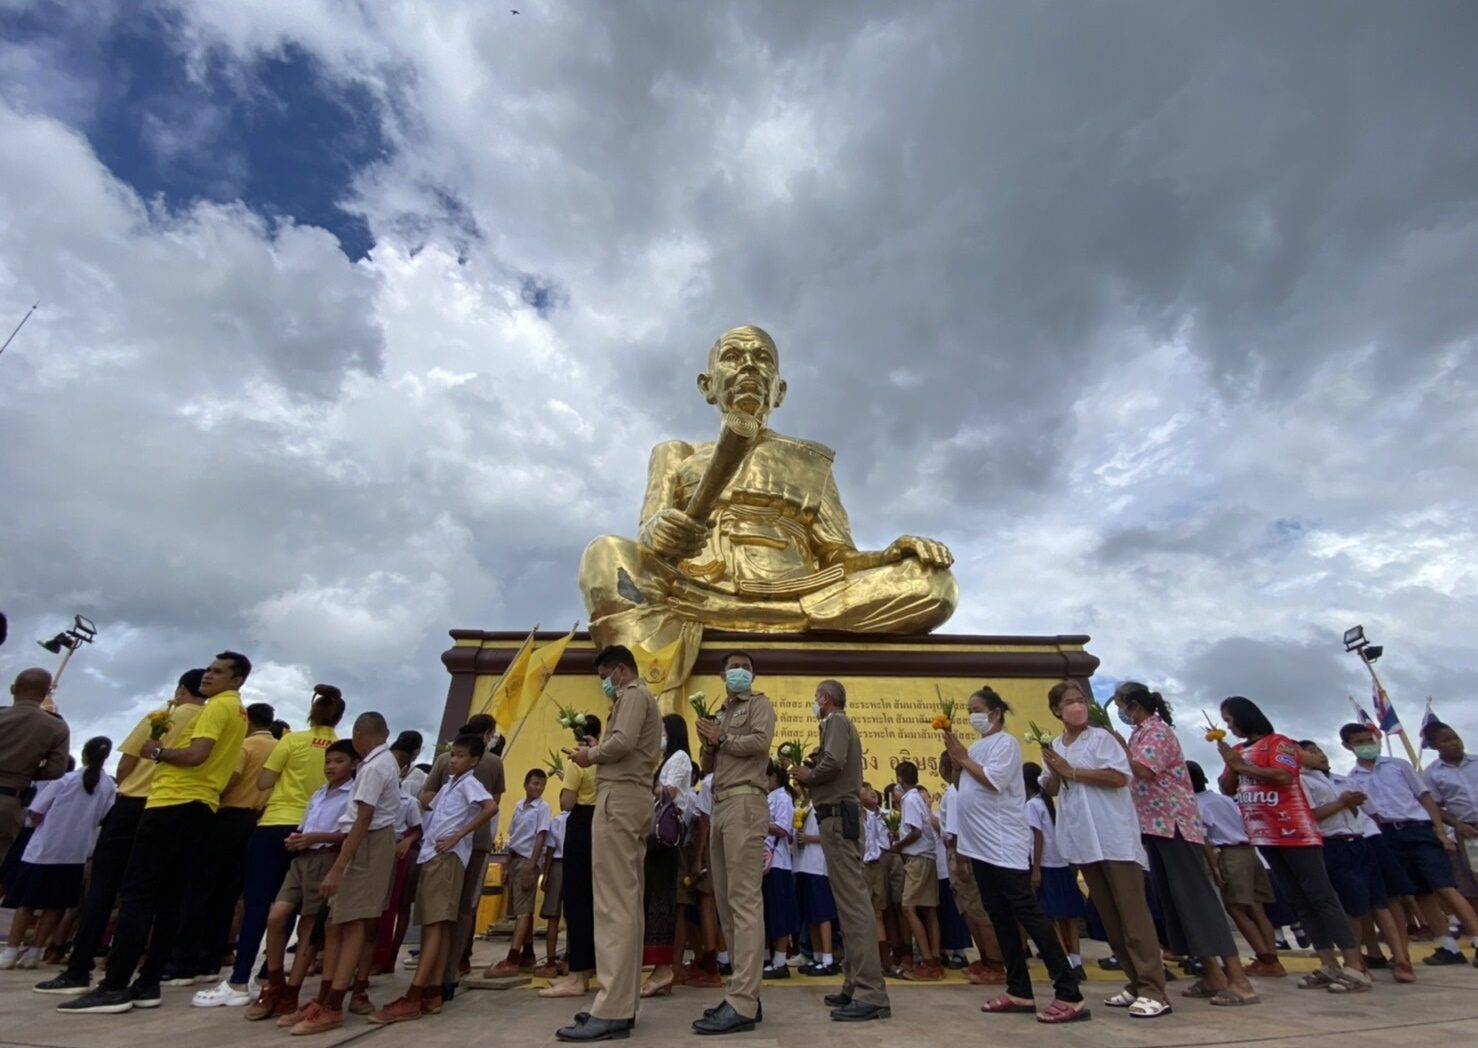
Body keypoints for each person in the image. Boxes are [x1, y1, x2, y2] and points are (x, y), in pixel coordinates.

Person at [59, 651, 251, 1015]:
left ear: (237, 679)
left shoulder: (215, 709)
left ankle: (115, 984)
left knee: (138, 893)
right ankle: (148, 982)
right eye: (208, 670)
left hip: (171, 802)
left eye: (218, 671)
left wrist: (158, 752)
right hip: (202, 805)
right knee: (170, 898)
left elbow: (197, 754)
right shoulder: (238, 712)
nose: (209, 676)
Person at [34, 669, 207, 996]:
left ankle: (79, 969)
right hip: (178, 808)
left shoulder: (163, 716)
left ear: (181, 689)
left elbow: (127, 764)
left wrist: (132, 784)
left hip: (134, 804)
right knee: (164, 898)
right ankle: (149, 978)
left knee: (103, 890)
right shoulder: (213, 721)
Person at [944, 687, 1086, 1023]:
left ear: (995, 713)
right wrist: (955, 758)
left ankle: (1069, 991)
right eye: (968, 710)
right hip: (978, 845)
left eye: (977, 709)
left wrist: (963, 758)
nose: (972, 715)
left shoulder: (1006, 744)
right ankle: (1019, 989)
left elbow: (993, 781)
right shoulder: (978, 746)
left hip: (1003, 843)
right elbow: (962, 784)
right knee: (999, 915)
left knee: (1027, 912)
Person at [1112, 683, 1258, 1006]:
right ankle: (1212, 975)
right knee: (1178, 906)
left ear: (1134, 705)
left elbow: (1144, 770)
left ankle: (1238, 979)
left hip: (1174, 823)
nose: (1122, 713)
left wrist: (1117, 745)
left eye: (1123, 706)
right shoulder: (1139, 734)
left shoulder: (1157, 733)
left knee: (1198, 901)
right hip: (1153, 826)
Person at [1215, 696, 1369, 993]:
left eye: (1230, 720)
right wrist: (1233, 765)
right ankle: (1328, 963)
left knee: (1321, 896)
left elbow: (1284, 775)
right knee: (1299, 900)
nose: (1229, 726)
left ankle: (1354, 964)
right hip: (1263, 832)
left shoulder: (1279, 743)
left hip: (1294, 829)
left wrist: (1243, 766)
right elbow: (1226, 787)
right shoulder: (1237, 751)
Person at [1040, 681, 1169, 1018]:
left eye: (1080, 700)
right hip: (1084, 839)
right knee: (1110, 917)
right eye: (1069, 702)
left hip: (1113, 836)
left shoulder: (1103, 738)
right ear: (1056, 710)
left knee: (1133, 914)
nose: (1077, 706)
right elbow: (1052, 786)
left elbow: (1119, 777)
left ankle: (1154, 988)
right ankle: (1135, 982)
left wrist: (1074, 771)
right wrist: (1054, 767)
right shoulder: (1055, 744)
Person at [555, 644, 662, 1043]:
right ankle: (621, 1001)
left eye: (604, 675)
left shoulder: (633, 694)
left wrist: (589, 755)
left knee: (614, 903)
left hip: (619, 796)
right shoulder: (639, 697)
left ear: (619, 671)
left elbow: (621, 744)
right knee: (625, 901)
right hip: (628, 795)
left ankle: (614, 1007)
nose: (604, 684)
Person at [225, 685, 344, 1009]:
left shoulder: (291, 741)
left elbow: (264, 781)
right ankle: (269, 974)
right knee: (293, 906)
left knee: (259, 904)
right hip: (313, 832)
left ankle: (239, 979)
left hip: (276, 822)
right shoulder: (340, 749)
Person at [370, 733, 498, 1024]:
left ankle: (415, 994)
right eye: (453, 755)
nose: (454, 760)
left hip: (447, 857)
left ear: (475, 760)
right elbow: (429, 807)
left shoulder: (470, 784)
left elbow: (491, 807)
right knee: (435, 926)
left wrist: (458, 835)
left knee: (435, 926)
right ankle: (433, 991)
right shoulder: (450, 785)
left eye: (461, 756)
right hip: (432, 854)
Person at [288, 711, 401, 1035]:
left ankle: (334, 1003)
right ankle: (324, 997)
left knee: (351, 922)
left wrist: (337, 868)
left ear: (358, 738)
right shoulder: (378, 764)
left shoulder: (376, 766)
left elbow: (364, 818)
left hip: (366, 844)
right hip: (361, 842)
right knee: (336, 921)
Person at [786, 679, 891, 1021]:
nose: (814, 702)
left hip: (838, 819)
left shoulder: (836, 721)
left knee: (855, 905)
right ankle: (854, 983)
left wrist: (808, 773)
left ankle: (870, 992)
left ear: (826, 699)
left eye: (816, 697)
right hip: (834, 818)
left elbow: (831, 762)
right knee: (848, 907)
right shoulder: (834, 724)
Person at [690, 650, 777, 1035]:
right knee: (726, 903)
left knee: (743, 901)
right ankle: (744, 996)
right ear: (721, 674)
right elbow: (707, 767)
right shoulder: (720, 713)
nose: (740, 673)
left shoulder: (759, 705)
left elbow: (760, 743)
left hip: (745, 801)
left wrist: (722, 736)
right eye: (734, 668)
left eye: (746, 668)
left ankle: (743, 1000)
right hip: (720, 803)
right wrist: (708, 741)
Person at [1340, 722, 1478, 966]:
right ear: (1347, 746)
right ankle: (1447, 946)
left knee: (1445, 886)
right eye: (1359, 742)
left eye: (1369, 740)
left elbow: (1425, 797)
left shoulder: (1398, 766)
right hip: (1388, 836)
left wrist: (1439, 831)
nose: (1367, 746)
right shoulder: (1352, 780)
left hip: (1419, 829)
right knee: (1421, 893)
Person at [247, 739, 359, 1023]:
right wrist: (298, 838)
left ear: (354, 764)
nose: (331, 767)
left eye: (339, 761)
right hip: (302, 859)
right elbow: (307, 824)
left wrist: (316, 838)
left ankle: (291, 991)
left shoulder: (352, 795)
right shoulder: (319, 793)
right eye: (328, 761)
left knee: (309, 926)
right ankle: (274, 982)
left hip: (326, 858)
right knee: (276, 916)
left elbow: (350, 834)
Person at [179, 700, 278, 995]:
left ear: (248, 721)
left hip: (227, 815)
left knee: (201, 888)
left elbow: (230, 779)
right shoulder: (279, 747)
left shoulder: (245, 746)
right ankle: (215, 954)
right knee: (231, 894)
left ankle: (187, 960)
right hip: (255, 821)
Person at [1296, 740, 1415, 982]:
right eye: (1310, 752)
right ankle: (1356, 962)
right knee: (1354, 908)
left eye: (1319, 750)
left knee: (1382, 903)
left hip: (1362, 840)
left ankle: (1402, 958)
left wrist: (1349, 805)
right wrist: (1342, 803)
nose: (1319, 755)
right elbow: (1309, 816)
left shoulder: (1341, 780)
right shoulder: (1301, 781)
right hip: (1334, 843)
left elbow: (1364, 811)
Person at [0, 737, 114, 970]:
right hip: (77, 852)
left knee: (27, 903)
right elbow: (104, 816)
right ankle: (35, 951)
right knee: (56, 904)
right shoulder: (108, 786)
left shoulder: (64, 780)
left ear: (84, 754)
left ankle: (10, 951)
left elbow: (36, 812)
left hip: (45, 848)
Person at [420, 713, 506, 998]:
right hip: (476, 842)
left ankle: (429, 971)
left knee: (437, 913)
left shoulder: (445, 760)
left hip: (441, 842)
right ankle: (451, 969)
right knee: (463, 908)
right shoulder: (493, 763)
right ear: (489, 734)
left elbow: (425, 798)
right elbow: (495, 805)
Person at [1186, 760, 1283, 976]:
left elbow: (1205, 842)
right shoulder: (1224, 800)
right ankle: (1273, 958)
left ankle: (1263, 958)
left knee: (1236, 908)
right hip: (1250, 851)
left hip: (1229, 854)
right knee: (1257, 908)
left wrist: (1215, 869)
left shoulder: (1195, 805)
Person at [540, 715, 601, 1000]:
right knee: (595, 903)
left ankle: (577, 975)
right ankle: (588, 969)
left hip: (580, 827)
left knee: (576, 903)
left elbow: (566, 803)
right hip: (602, 826)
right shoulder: (607, 759)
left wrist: (568, 779)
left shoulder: (578, 761)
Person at [640, 714, 693, 996]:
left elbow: (670, 792)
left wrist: (646, 781)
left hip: (667, 837)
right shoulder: (667, 759)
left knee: (662, 903)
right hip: (655, 841)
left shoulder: (680, 757)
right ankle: (660, 969)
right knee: (655, 901)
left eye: (661, 730)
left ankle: (664, 970)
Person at [1023, 762, 1087, 978]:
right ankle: (1076, 961)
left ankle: (1065, 961)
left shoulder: (1032, 805)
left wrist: (1036, 869)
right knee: (1068, 917)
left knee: (1051, 917)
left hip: (1047, 864)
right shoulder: (1047, 802)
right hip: (1061, 862)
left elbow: (1037, 837)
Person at [487, 769, 552, 977]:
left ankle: (513, 957)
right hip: (515, 858)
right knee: (520, 908)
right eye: (534, 783)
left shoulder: (543, 808)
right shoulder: (518, 807)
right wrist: (507, 866)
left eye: (542, 784)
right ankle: (528, 953)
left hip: (527, 860)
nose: (538, 788)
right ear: (525, 784)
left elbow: (540, 837)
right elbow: (512, 836)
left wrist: (532, 866)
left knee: (523, 911)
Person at [0, 668, 69, 862]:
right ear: (45, 693)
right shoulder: (56, 726)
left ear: (13, 688)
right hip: (9, 802)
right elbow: (56, 770)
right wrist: (26, 772)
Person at [372, 733, 426, 975]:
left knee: (398, 905)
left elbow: (418, 828)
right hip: (377, 851)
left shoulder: (409, 800)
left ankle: (388, 953)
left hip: (402, 855)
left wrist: (408, 841)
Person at [892, 760, 943, 979]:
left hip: (918, 858)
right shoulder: (918, 799)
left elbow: (915, 831)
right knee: (929, 910)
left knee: (909, 907)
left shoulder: (910, 800)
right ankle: (934, 958)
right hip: (927, 857)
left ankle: (929, 961)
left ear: (900, 780)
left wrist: (898, 846)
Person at [1422, 722, 1478, 910]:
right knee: (1474, 879)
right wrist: (1457, 825)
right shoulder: (1432, 773)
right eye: (1446, 740)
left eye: (1455, 737)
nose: (1454, 743)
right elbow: (1434, 806)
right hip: (1469, 831)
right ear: (1434, 745)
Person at [760, 761, 800, 985]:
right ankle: (766, 958)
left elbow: (784, 829)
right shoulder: (767, 796)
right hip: (762, 860)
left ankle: (780, 961)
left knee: (779, 914)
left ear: (774, 777)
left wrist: (759, 821)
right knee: (765, 912)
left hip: (778, 862)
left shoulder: (783, 797)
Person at [534, 808, 569, 978]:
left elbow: (549, 849)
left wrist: (545, 874)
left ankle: (550, 961)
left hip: (556, 865)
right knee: (574, 918)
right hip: (575, 866)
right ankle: (571, 959)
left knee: (553, 918)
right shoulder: (582, 821)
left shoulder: (556, 821)